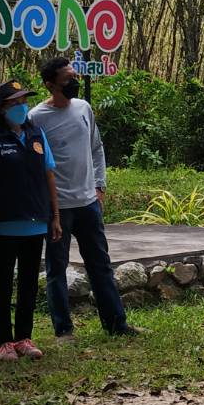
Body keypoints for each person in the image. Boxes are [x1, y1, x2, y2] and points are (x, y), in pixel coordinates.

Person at [31, 57, 137, 341]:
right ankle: (63, 330)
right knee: (57, 269)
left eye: (74, 76)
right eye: (67, 79)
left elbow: (96, 147)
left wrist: (99, 186)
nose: (74, 83)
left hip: (88, 202)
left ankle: (116, 323)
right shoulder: (36, 117)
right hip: (59, 208)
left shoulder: (83, 109)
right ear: (50, 85)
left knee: (100, 264)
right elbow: (36, 164)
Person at [0, 80, 61, 361]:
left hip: (35, 221)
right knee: (1, 283)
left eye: (24, 101)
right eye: (15, 103)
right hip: (3, 224)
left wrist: (55, 216)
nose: (22, 107)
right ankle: (3, 342)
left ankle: (24, 337)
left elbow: (49, 176)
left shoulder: (37, 135)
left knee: (28, 283)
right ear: (1, 108)